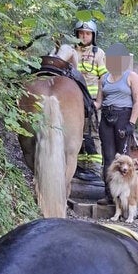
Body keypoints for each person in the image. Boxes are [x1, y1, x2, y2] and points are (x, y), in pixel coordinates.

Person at [57, 20, 106, 183]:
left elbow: (102, 79)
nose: (84, 36)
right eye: (81, 33)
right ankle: (78, 165)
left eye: (87, 33)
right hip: (72, 99)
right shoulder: (71, 51)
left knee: (92, 133)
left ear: (93, 35)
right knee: (75, 133)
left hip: (90, 100)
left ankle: (93, 168)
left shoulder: (99, 53)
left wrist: (99, 102)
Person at [99, 44, 138, 179]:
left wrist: (131, 124)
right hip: (106, 117)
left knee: (124, 158)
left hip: (123, 117)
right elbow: (98, 102)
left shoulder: (131, 76)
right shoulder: (103, 78)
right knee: (108, 156)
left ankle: (125, 195)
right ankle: (108, 193)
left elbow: (137, 101)